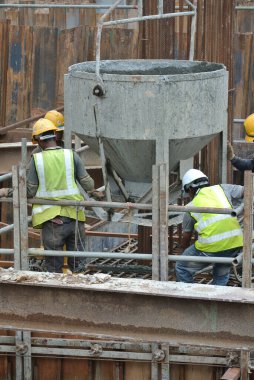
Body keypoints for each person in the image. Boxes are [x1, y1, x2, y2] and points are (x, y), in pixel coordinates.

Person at [0, 118, 97, 273]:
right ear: (55, 136)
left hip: (53, 221)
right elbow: (89, 185)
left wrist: (6, 192)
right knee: (79, 269)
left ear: (39, 140)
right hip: (76, 218)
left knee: (53, 269)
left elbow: (29, 192)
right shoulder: (71, 155)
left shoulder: (37, 160)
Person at [175, 169, 243, 286]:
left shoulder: (190, 207)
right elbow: (248, 191)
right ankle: (217, 300)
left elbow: (186, 237)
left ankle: (189, 300)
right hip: (235, 244)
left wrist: (182, 252)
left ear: (190, 189)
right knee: (221, 271)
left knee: (181, 267)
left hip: (211, 248)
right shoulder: (222, 188)